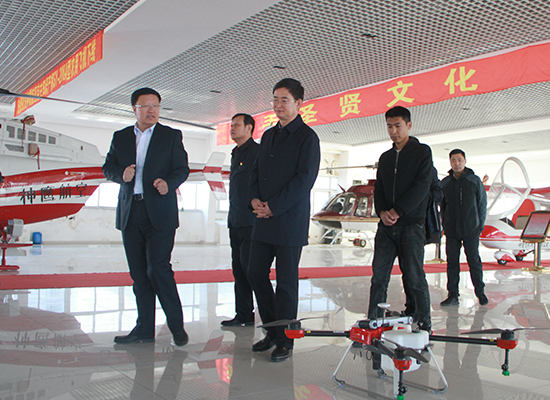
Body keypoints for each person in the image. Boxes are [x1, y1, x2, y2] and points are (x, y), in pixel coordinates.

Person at [103, 87, 190, 346]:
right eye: (146, 106)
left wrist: (169, 183)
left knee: (158, 269)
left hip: (160, 212)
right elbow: (108, 167)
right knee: (139, 274)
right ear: (135, 109)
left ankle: (176, 327)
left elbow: (182, 168)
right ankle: (143, 329)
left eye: (156, 105)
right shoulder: (120, 137)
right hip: (131, 211)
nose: (152, 110)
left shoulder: (170, 136)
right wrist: (121, 175)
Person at [247, 78, 320, 362]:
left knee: (287, 283)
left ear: (298, 103)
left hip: (288, 220)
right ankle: (272, 330)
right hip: (263, 219)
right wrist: (254, 199)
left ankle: (285, 340)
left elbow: (304, 180)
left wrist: (274, 207)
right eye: (275, 100)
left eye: (284, 100)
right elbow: (255, 171)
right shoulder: (268, 135)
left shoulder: (307, 137)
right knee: (255, 273)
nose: (278, 105)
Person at [367, 105, 433, 332]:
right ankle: (373, 321)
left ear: (409, 125)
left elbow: (422, 187)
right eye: (389, 127)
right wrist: (382, 212)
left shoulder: (422, 152)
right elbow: (379, 189)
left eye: (398, 126)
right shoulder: (385, 158)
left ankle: (424, 323)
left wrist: (398, 211)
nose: (393, 131)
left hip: (411, 225)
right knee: (379, 277)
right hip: (386, 227)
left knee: (414, 277)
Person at [221, 113, 259, 327]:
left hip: (251, 221)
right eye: (231, 125)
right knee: (238, 269)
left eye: (236, 125)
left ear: (249, 128)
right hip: (235, 220)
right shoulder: (235, 153)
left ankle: (267, 314)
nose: (232, 128)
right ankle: (243, 314)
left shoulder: (257, 152)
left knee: (251, 270)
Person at [440, 149, 488, 306]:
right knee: (452, 263)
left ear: (465, 161)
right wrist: (444, 225)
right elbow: (442, 206)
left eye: (459, 160)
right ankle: (453, 295)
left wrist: (479, 225)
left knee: (474, 261)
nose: (457, 163)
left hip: (471, 229)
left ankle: (480, 292)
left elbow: (482, 204)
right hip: (452, 231)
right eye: (453, 160)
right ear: (450, 162)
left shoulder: (474, 181)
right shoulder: (445, 183)